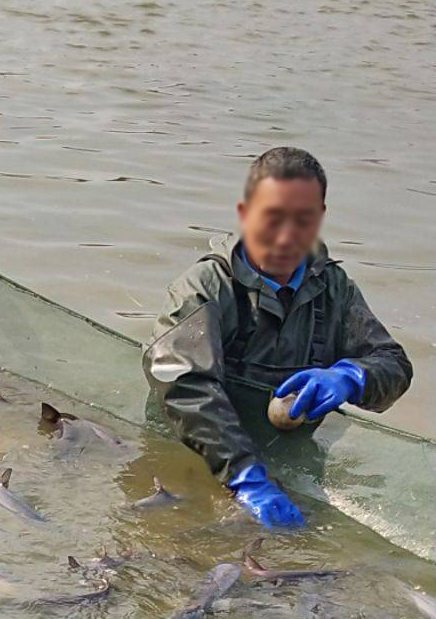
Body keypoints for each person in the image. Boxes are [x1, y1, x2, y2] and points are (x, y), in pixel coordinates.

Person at [143, 146, 413, 527]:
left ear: (319, 218)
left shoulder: (335, 290)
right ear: (245, 213)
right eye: (273, 217)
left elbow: (394, 364)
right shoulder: (204, 287)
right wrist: (246, 477)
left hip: (287, 462)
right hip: (189, 457)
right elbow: (183, 385)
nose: (287, 236)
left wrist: (352, 376)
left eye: (302, 220)